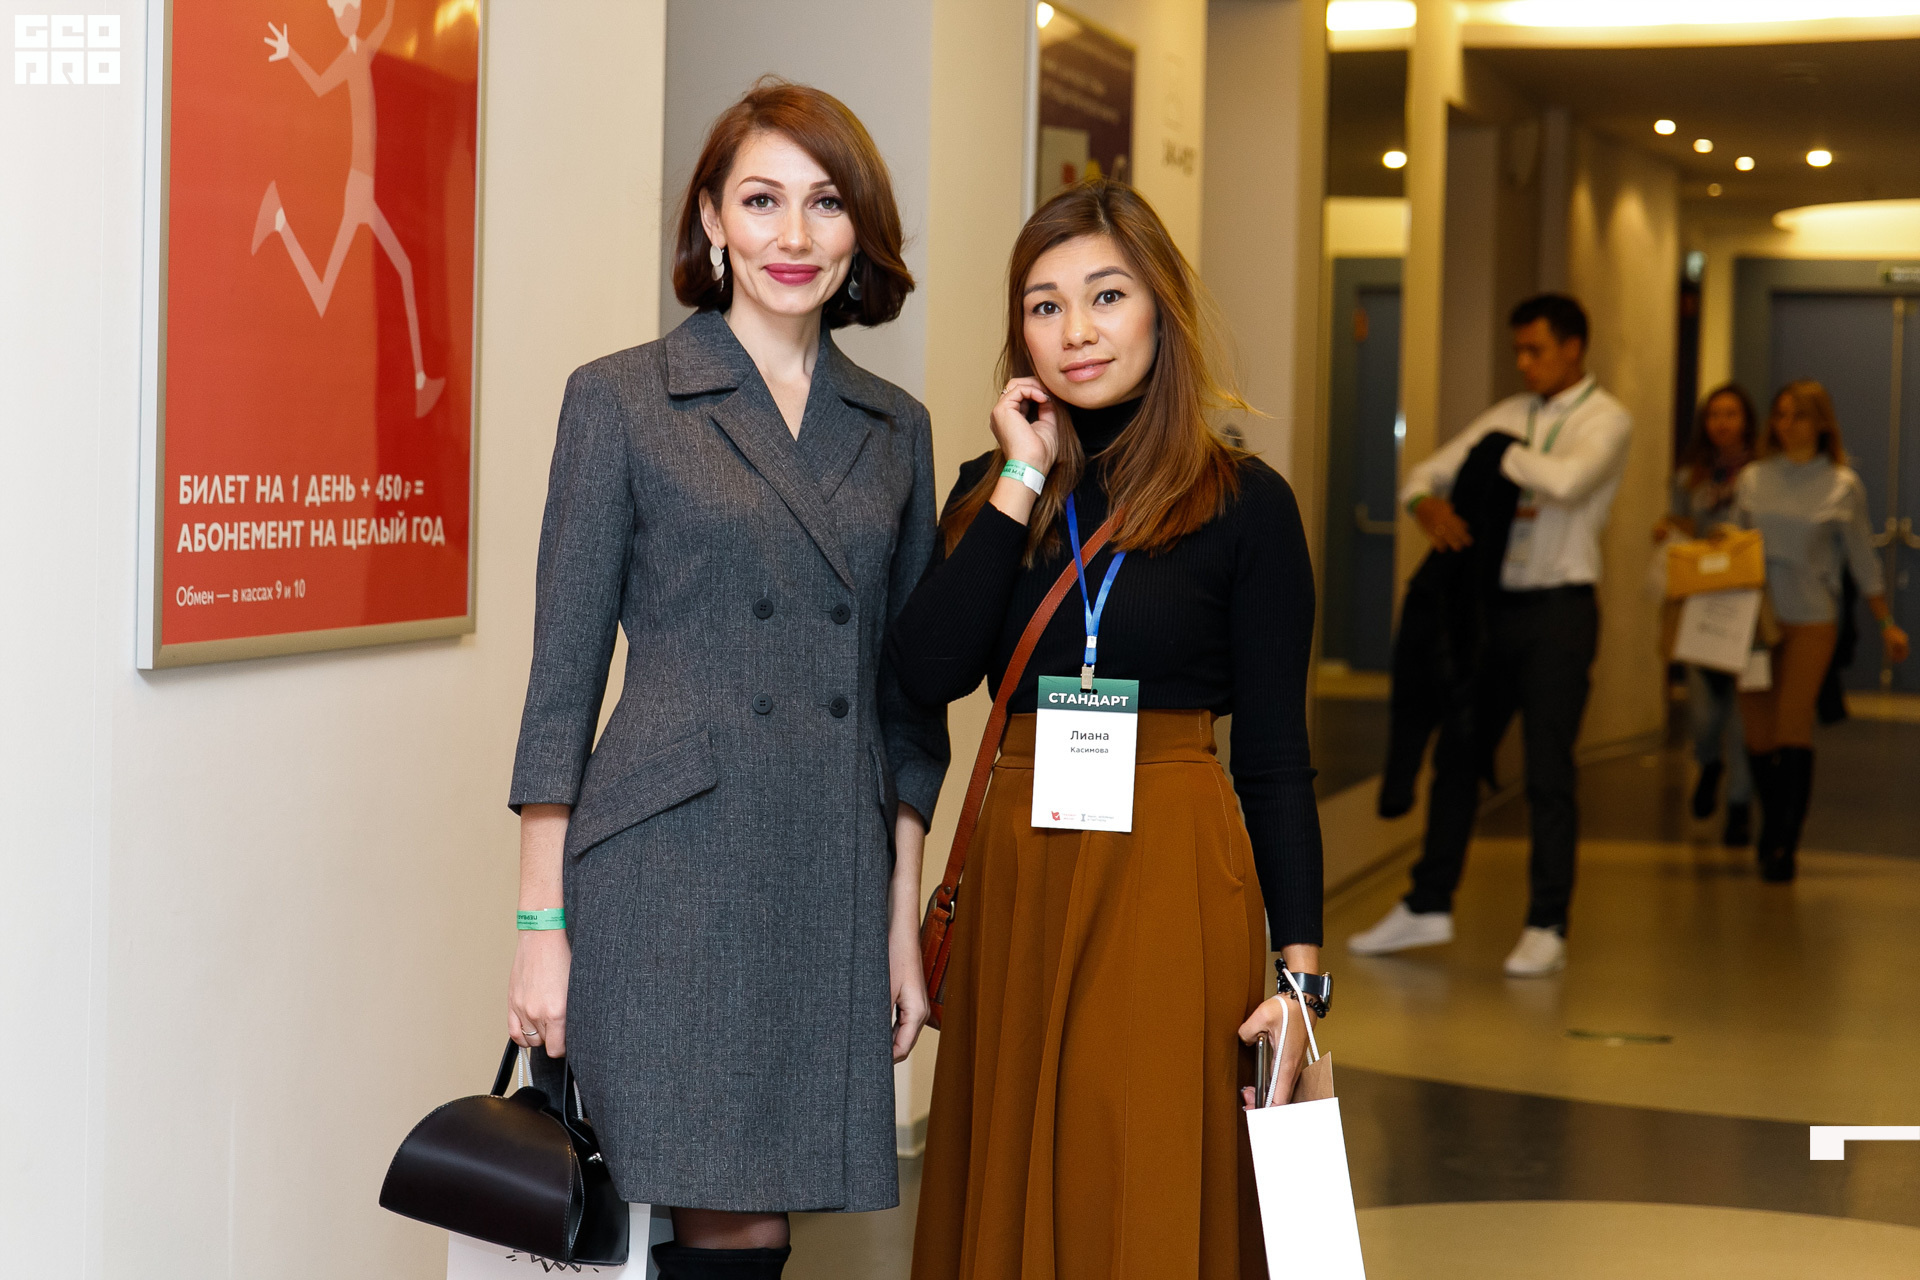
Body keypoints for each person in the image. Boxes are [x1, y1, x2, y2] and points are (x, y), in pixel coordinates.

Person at [504, 81, 949, 1280]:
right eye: (761, 200)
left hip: (828, 863)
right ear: (711, 218)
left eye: (825, 203)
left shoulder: (895, 426)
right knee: (712, 1209)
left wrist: (901, 918)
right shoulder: (620, 397)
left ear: (860, 230)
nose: (792, 235)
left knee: (753, 1222)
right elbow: (562, 681)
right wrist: (540, 924)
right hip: (668, 868)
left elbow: (909, 702)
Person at [891, 180, 1327, 1280]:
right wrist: (1019, 477)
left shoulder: (1246, 504)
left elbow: (1276, 758)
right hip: (1024, 864)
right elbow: (927, 672)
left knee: (1135, 1152)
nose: (1075, 330)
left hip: (1169, 865)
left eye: (1105, 295)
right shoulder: (997, 490)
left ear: (1161, 309)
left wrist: (1302, 980)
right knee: (1017, 1150)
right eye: (1044, 305)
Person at [1349, 294, 1631, 977]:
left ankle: (1547, 923)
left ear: (1573, 348)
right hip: (1492, 612)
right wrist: (1428, 505)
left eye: (1537, 350)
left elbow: (1567, 482)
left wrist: (1499, 455)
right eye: (1518, 352)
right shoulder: (1511, 413)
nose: (1525, 363)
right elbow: (1422, 475)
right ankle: (1427, 903)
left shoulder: (1607, 418)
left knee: (1547, 768)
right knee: (1459, 753)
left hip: (1560, 611)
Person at [1736, 381, 1909, 881]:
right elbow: (1733, 543)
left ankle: (1785, 842)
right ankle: (1772, 821)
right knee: (1758, 733)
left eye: (1799, 416)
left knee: (1792, 725)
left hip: (1812, 617)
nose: (1787, 425)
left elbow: (1861, 557)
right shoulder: (1753, 478)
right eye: (1780, 415)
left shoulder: (1841, 484)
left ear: (1820, 423)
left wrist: (1886, 623)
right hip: (1754, 620)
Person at [254, 0, 445, 417]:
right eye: (344, 10)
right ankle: (280, 223)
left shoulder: (364, 50)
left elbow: (389, 19)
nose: (350, 14)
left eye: (353, 7)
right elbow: (319, 85)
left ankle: (420, 381)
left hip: (366, 190)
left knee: (396, 271)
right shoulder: (348, 57)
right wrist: (291, 53)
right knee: (365, 281)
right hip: (359, 189)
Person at [1657, 384, 1759, 846]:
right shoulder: (1689, 478)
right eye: (1714, 414)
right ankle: (1709, 763)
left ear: (1746, 420)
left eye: (1731, 414)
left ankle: (1739, 804)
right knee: (1702, 713)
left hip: (1749, 605)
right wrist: (1666, 531)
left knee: (1742, 716)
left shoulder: (1760, 475)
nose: (1722, 423)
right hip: (1701, 603)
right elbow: (1678, 526)